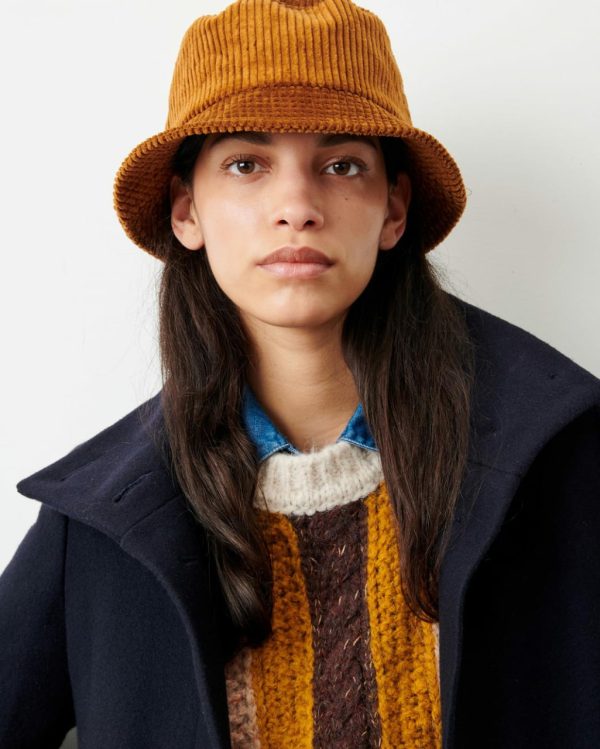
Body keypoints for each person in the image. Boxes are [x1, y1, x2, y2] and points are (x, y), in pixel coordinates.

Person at [1, 0, 599, 747]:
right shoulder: (98, 523)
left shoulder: (565, 458)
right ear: (187, 211)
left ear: (394, 209)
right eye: (246, 165)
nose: (296, 206)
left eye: (341, 165)